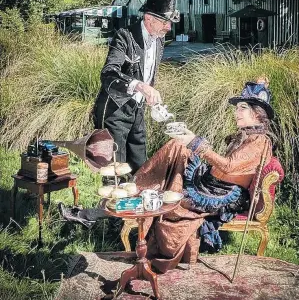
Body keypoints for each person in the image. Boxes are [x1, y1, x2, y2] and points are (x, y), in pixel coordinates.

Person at [59, 78, 275, 272]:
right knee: (175, 147)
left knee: (171, 191)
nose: (236, 112)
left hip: (223, 193)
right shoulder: (248, 136)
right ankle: (132, 190)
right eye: (237, 108)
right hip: (213, 181)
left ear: (257, 113)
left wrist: (195, 142)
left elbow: (228, 167)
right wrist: (188, 140)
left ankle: (120, 200)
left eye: (242, 108)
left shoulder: (260, 141)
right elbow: (224, 166)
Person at [93, 0, 180, 173]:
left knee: (141, 167)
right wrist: (140, 86)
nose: (169, 27)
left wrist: (150, 100)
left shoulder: (159, 39)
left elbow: (147, 72)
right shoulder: (124, 36)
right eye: (166, 22)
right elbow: (108, 73)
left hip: (137, 110)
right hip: (114, 112)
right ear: (149, 18)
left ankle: (138, 200)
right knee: (116, 171)